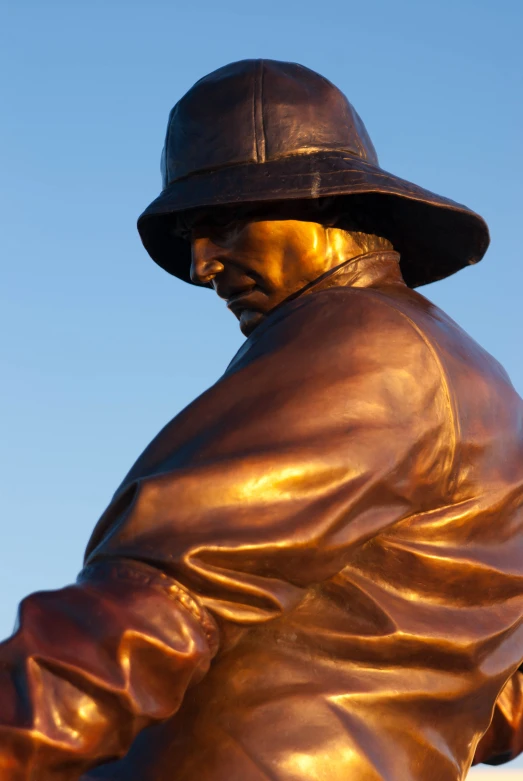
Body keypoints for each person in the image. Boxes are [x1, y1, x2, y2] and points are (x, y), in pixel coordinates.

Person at [1, 59, 522, 781]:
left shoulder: (360, 347)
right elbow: (497, 701)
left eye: (221, 221)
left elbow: (150, 605)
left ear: (331, 205)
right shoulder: (475, 382)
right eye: (191, 233)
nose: (200, 263)